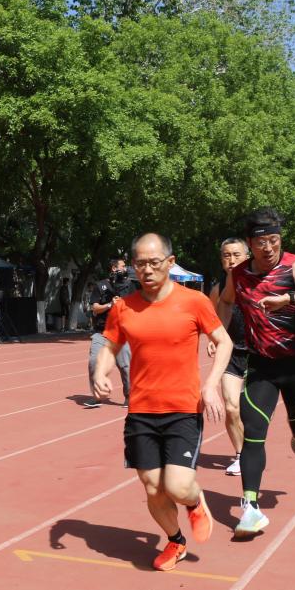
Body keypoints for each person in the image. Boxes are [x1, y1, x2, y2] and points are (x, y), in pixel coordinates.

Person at [93, 233, 232, 571]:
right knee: (153, 487)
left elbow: (224, 342)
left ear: (170, 262)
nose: (147, 270)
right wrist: (100, 372)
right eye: (140, 263)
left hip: (183, 409)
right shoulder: (123, 307)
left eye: (154, 263)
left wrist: (211, 385)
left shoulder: (194, 301)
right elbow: (110, 346)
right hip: (141, 411)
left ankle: (195, 503)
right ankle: (175, 540)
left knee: (178, 486)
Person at [218, 208, 295, 538]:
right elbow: (226, 301)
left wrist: (289, 298)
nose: (269, 247)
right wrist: (220, 334)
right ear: (250, 243)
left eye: (274, 240)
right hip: (262, 366)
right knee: (253, 429)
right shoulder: (238, 275)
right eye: (261, 242)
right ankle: (250, 507)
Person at [207, 238, 250, 476]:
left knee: (252, 413)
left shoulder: (259, 282)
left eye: (236, 254)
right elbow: (212, 319)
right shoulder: (218, 288)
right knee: (232, 408)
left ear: (247, 257)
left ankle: (254, 449)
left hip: (258, 354)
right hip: (231, 353)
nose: (231, 260)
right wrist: (213, 340)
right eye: (226, 255)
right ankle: (241, 455)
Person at [85, 259, 133, 408]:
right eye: (122, 266)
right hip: (101, 332)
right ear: (113, 268)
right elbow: (94, 308)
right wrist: (109, 304)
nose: (125, 269)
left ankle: (129, 396)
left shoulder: (130, 285)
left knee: (126, 366)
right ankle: (97, 396)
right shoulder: (101, 285)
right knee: (94, 362)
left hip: (121, 333)